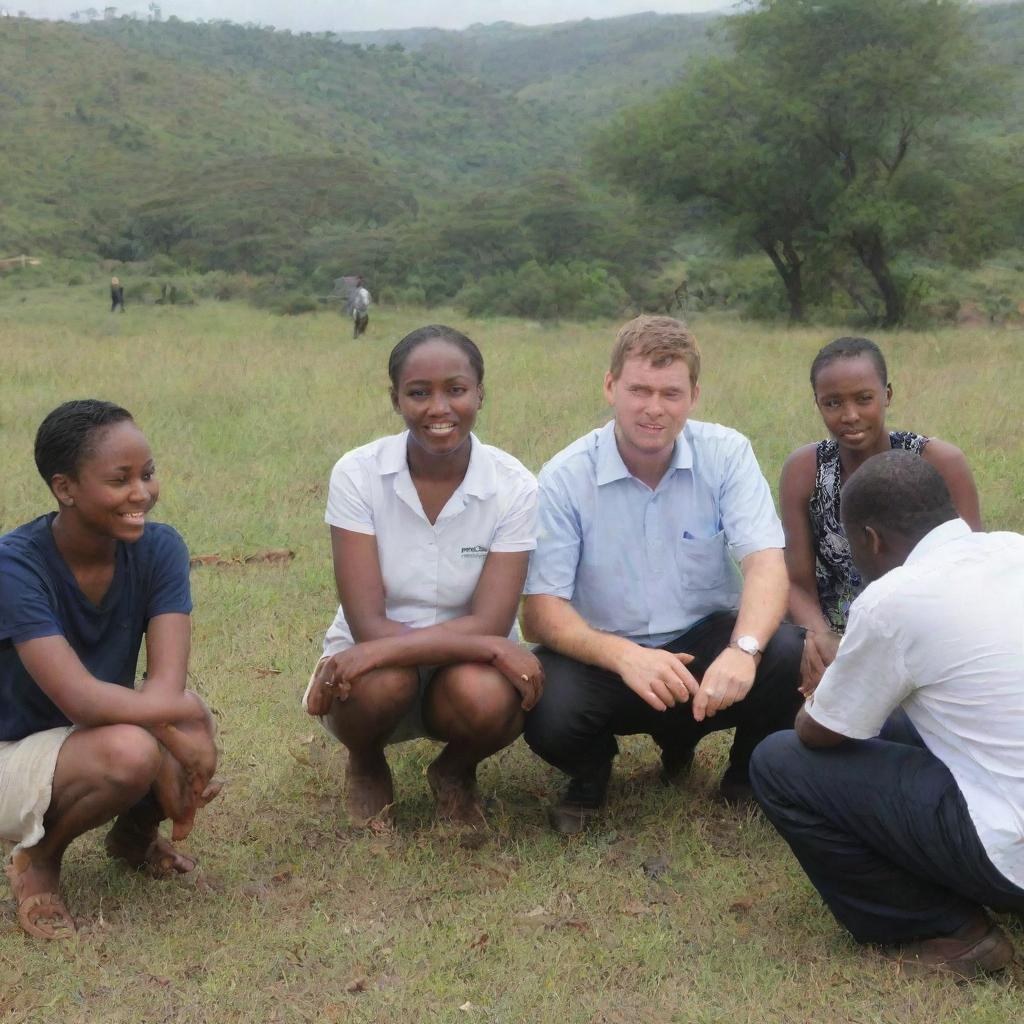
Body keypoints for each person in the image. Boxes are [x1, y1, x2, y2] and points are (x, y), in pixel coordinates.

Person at [521, 315, 803, 834]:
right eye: (639, 390)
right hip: (607, 654)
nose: (654, 408)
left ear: (694, 395)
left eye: (671, 393)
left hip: (705, 649)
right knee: (544, 703)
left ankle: (745, 778)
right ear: (610, 387)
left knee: (786, 652)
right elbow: (540, 611)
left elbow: (765, 561)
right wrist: (624, 656)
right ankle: (590, 773)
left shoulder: (727, 453)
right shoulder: (565, 476)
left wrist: (743, 650)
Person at [751, 452, 1024, 978]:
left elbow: (820, 733)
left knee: (780, 761)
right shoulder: (1014, 549)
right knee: (897, 728)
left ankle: (944, 927)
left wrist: (820, 693)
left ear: (870, 539)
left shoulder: (892, 598)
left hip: (1012, 861)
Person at [303, 325, 542, 828]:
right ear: (395, 399)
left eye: (455, 390)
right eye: (419, 393)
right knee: (382, 682)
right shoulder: (358, 474)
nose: (439, 408)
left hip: (463, 669)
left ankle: (455, 771)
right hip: (382, 668)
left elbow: (493, 620)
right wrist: (490, 645)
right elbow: (367, 625)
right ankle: (366, 762)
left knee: (488, 695)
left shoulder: (514, 486)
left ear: (480, 393)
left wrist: (492, 643)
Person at [0, 400, 219, 940]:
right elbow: (85, 702)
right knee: (136, 746)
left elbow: (165, 684)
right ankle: (40, 859)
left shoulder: (159, 548)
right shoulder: (14, 565)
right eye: (119, 480)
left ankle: (133, 836)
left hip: (93, 734)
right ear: (65, 488)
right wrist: (187, 719)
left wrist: (183, 729)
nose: (141, 493)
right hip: (12, 749)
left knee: (165, 727)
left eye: (147, 474)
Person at [780, 336, 980, 692]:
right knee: (781, 652)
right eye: (833, 402)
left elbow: (970, 571)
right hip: (833, 631)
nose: (850, 415)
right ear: (817, 403)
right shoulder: (805, 469)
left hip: (922, 630)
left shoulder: (938, 463)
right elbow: (796, 580)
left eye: (864, 399)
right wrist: (819, 634)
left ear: (887, 395)